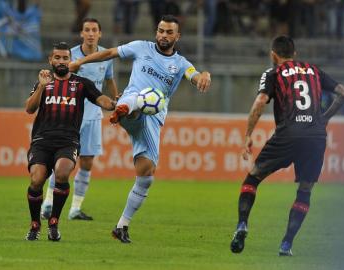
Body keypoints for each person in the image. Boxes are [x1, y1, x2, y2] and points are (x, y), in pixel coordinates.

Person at [70, 14, 211, 243]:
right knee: (139, 99)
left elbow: (193, 76)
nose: (163, 35)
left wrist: (203, 76)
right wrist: (80, 62)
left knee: (146, 174)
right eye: (160, 31)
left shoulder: (182, 64)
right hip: (132, 104)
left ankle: (121, 226)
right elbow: (109, 53)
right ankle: (124, 109)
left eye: (168, 32)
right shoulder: (140, 47)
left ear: (177, 36)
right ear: (156, 32)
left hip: (154, 120)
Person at [230, 36, 344, 255]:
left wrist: (248, 135)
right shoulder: (314, 70)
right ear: (294, 54)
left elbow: (259, 103)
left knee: (253, 177)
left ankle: (242, 225)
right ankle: (286, 244)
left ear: (273, 55)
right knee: (305, 191)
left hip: (288, 134)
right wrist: (324, 118)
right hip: (315, 136)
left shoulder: (273, 72)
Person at [24, 42, 116, 241]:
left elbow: (102, 100)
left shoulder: (81, 84)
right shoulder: (43, 83)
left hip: (68, 141)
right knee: (36, 180)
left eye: (65, 58)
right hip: (42, 140)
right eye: (57, 57)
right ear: (51, 60)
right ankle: (34, 224)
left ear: (70, 60)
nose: (61, 61)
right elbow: (30, 108)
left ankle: (54, 223)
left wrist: (116, 104)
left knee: (63, 173)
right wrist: (40, 87)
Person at [40, 18, 119, 221]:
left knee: (87, 162)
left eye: (94, 30)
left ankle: (75, 208)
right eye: (87, 30)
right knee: (59, 160)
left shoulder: (105, 56)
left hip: (93, 115)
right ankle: (47, 204)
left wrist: (116, 98)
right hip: (69, 114)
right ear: (81, 33)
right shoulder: (70, 56)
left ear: (100, 34)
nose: (91, 33)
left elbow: (109, 79)